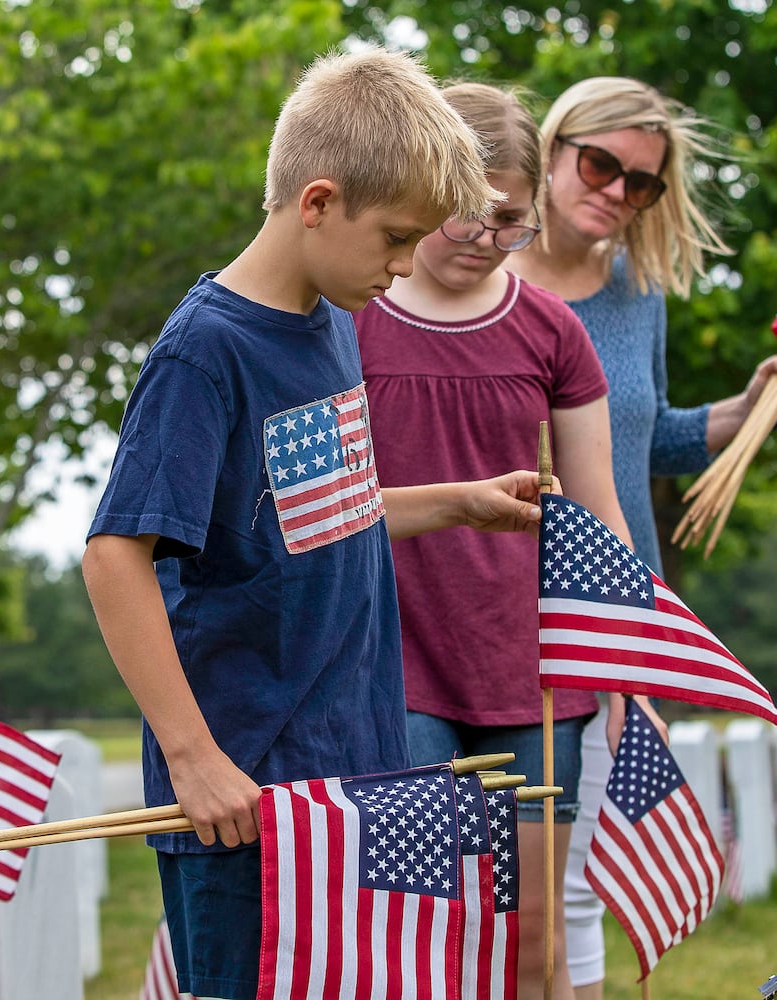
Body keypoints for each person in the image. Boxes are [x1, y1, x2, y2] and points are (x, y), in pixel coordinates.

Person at [81, 48, 547, 1000]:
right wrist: (193, 758)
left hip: (357, 773)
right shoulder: (207, 353)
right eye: (397, 237)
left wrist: (458, 503)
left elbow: (315, 517)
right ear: (319, 202)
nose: (408, 265)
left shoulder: (329, 320)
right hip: (245, 797)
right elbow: (113, 555)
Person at [505, 76, 777, 998]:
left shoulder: (638, 296)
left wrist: (752, 407)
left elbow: (646, 439)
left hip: (611, 615)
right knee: (501, 882)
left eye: (639, 183)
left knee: (579, 884)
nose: (615, 191)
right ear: (556, 148)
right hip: (497, 610)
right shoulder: (478, 274)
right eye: (600, 164)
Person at [354, 81, 645, 999]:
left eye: (510, 222)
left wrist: (630, 668)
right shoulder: (351, 318)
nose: (485, 238)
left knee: (533, 941)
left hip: (528, 670)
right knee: (421, 933)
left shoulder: (553, 330)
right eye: (467, 215)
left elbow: (598, 511)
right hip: (389, 662)